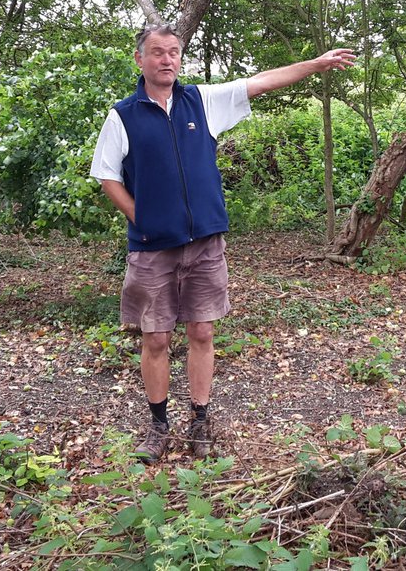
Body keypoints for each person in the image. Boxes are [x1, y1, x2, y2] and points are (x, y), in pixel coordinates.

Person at [90, 23, 355, 462]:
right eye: (157, 52)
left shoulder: (202, 100)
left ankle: (200, 420)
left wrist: (317, 64)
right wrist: (145, 220)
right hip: (152, 248)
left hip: (205, 244)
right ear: (140, 60)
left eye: (173, 52)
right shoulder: (123, 115)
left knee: (202, 330)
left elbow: (262, 81)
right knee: (155, 338)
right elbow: (107, 176)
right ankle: (158, 426)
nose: (167, 59)